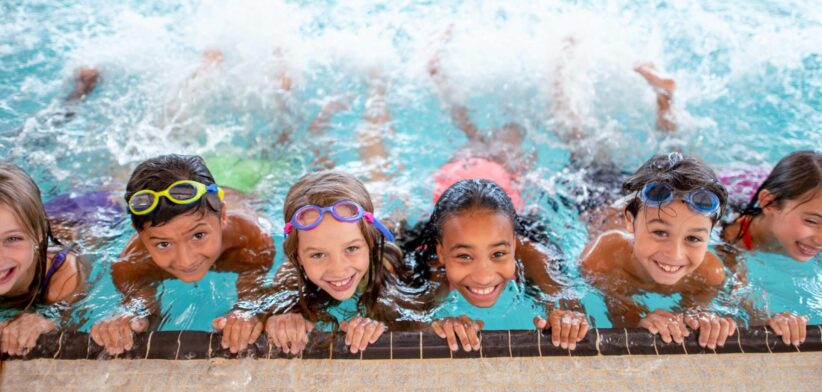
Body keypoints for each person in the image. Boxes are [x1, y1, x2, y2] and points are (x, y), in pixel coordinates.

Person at [90, 154, 275, 355]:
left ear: (222, 216)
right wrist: (131, 317)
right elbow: (142, 308)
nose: (185, 260)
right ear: (140, 235)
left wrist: (246, 312)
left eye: (199, 235)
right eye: (163, 243)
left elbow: (253, 296)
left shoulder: (252, 241)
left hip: (242, 178)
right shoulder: (130, 264)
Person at [404, 179, 589, 352]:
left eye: (498, 254)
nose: (484, 277)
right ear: (441, 253)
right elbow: (411, 324)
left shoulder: (534, 257)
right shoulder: (429, 268)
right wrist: (438, 327)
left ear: (515, 246)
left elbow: (566, 303)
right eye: (464, 256)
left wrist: (566, 319)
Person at [580, 153, 737, 350]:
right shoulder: (603, 258)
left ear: (710, 236)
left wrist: (706, 323)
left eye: (693, 238)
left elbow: (696, 316)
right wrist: (637, 324)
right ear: (630, 221)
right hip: (596, 196)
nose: (675, 254)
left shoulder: (709, 275)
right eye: (660, 232)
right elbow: (621, 316)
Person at [264, 171, 410, 355]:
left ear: (370, 242)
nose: (338, 269)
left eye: (351, 249)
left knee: (389, 194)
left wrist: (380, 326)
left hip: (393, 236)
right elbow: (261, 313)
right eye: (318, 254)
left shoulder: (389, 266)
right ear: (298, 257)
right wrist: (279, 320)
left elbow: (415, 322)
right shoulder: (288, 275)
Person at [719, 150, 821, 346]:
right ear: (769, 204)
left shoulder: (803, 210)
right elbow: (739, 294)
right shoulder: (731, 239)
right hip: (733, 184)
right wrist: (770, 319)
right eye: (811, 221)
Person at [0, 162, 87, 356]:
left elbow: (68, 329)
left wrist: (43, 322)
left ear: (39, 235)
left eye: (13, 239)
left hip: (89, 212)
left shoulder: (63, 275)